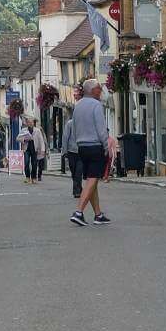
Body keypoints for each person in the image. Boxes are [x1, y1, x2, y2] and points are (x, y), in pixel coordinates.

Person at [68, 79, 113, 226]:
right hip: (95, 146)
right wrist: (106, 147)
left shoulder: (78, 105)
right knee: (93, 178)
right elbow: (101, 129)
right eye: (99, 88)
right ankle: (79, 212)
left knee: (91, 181)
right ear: (92, 90)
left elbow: (73, 128)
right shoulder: (96, 105)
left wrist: (77, 144)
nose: (101, 91)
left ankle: (98, 215)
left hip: (81, 147)